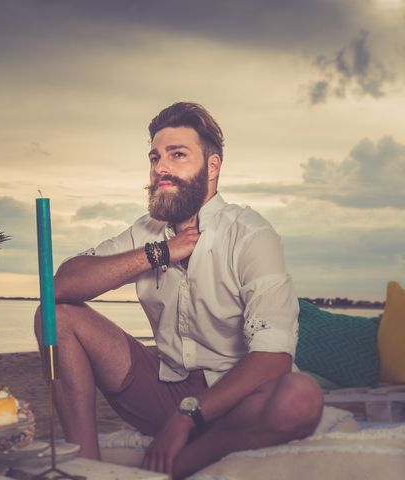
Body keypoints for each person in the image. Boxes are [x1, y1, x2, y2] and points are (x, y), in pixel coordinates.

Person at [34, 102, 324, 478]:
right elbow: (60, 285)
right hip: (163, 387)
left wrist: (187, 415)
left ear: (213, 166)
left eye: (177, 155)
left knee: (301, 397)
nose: (161, 169)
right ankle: (87, 468)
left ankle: (175, 467)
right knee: (53, 315)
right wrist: (161, 253)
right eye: (155, 157)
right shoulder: (148, 233)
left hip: (235, 401)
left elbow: (273, 358)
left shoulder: (251, 234)